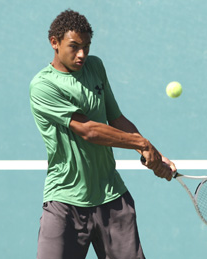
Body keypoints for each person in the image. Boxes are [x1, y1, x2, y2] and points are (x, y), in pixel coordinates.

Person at [29, 9, 176, 259]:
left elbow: (115, 118)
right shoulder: (43, 86)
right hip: (65, 201)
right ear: (54, 42)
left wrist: (154, 155)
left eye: (86, 46)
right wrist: (141, 143)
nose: (82, 54)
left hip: (112, 198)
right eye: (74, 47)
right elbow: (89, 130)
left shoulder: (95, 67)